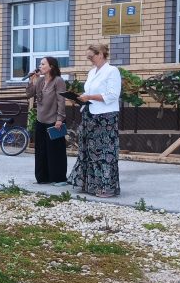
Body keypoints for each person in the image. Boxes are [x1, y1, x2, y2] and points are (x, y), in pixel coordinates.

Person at [67, 43, 122, 198]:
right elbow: (89, 92)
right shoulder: (92, 72)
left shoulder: (112, 71)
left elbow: (113, 95)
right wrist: (80, 98)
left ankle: (107, 188)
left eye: (91, 56)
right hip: (90, 115)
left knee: (104, 152)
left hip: (105, 117)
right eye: (88, 57)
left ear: (101, 54)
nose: (89, 59)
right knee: (89, 151)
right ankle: (91, 185)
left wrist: (90, 97)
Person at [26, 56, 68, 186]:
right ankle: (43, 177)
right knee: (41, 151)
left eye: (43, 64)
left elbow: (61, 101)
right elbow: (29, 94)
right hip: (41, 120)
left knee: (55, 151)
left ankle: (59, 178)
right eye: (40, 64)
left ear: (51, 67)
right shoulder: (40, 81)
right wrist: (31, 81)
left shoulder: (58, 81)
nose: (40, 66)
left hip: (54, 121)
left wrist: (60, 119)